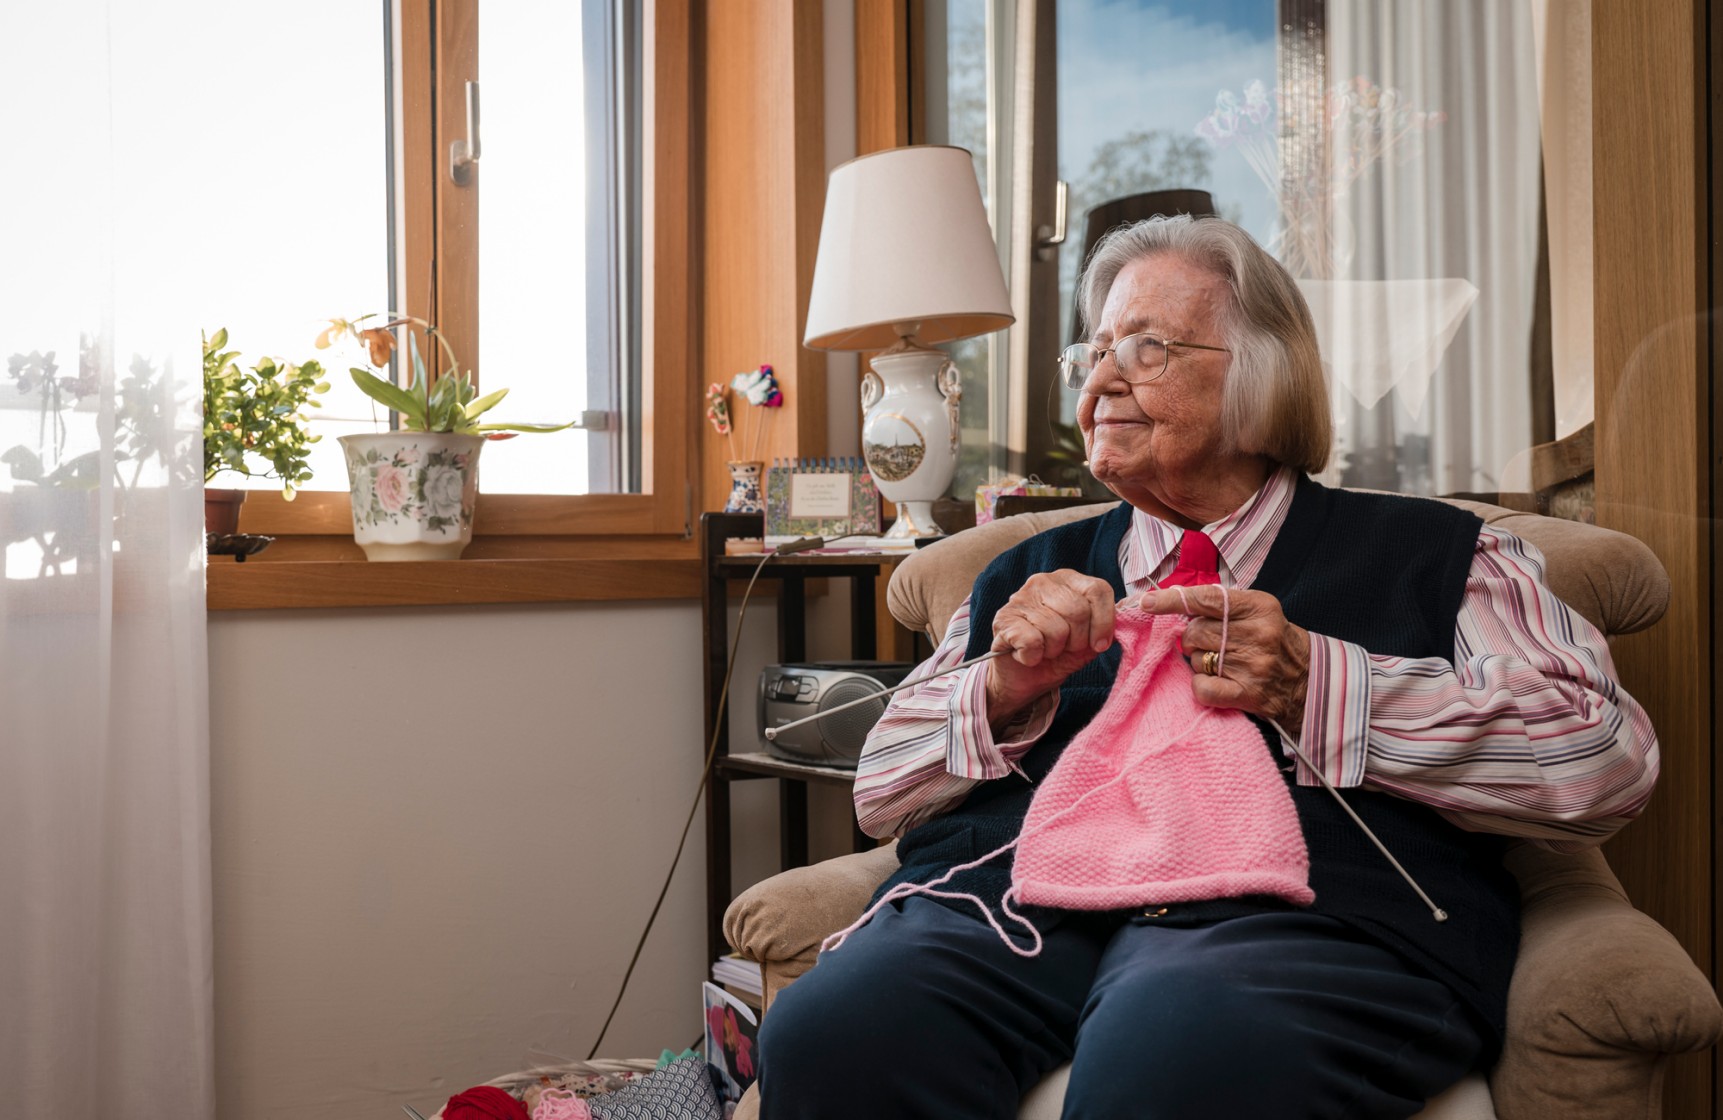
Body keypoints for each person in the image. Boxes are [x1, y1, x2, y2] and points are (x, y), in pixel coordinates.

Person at [754, 215, 1658, 1119]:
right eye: (1094, 351)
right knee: (831, 1030)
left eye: (1146, 349)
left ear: (1266, 377)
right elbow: (879, 791)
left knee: (1176, 1042)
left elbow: (1604, 762)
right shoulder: (1023, 575)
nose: (1102, 379)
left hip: (1300, 918)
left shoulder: (1441, 554)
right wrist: (1001, 691)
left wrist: (1321, 687)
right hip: (1016, 908)